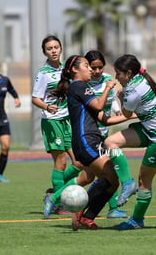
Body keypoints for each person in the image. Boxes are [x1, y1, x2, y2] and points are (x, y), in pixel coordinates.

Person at [51, 54, 132, 230]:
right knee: (109, 177)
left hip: (93, 139)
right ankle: (79, 210)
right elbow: (98, 106)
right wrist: (108, 88)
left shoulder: (82, 88)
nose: (90, 69)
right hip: (85, 140)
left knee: (113, 180)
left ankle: (87, 217)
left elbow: (103, 119)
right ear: (74, 70)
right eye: (86, 65)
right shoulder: (79, 86)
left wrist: (131, 116)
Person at [104, 54, 156, 230]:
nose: (116, 77)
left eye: (118, 74)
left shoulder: (132, 90)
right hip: (149, 129)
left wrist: (118, 99)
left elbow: (126, 115)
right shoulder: (139, 80)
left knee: (144, 181)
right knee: (110, 143)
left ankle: (137, 220)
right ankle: (127, 183)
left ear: (128, 73)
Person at [32, 35, 83, 215]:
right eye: (49, 48)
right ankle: (61, 204)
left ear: (61, 49)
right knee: (60, 161)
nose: (53, 51)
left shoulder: (66, 70)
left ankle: (54, 194)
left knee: (79, 162)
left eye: (56, 47)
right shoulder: (43, 73)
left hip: (69, 120)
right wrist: (47, 106)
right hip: (52, 121)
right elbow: (35, 98)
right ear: (44, 52)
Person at [85, 49, 135, 219]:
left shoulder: (108, 79)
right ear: (87, 67)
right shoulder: (83, 83)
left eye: (100, 67)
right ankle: (55, 196)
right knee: (89, 174)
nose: (97, 71)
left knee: (101, 173)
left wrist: (117, 110)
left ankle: (112, 208)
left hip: (102, 133)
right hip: (88, 134)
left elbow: (112, 99)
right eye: (93, 67)